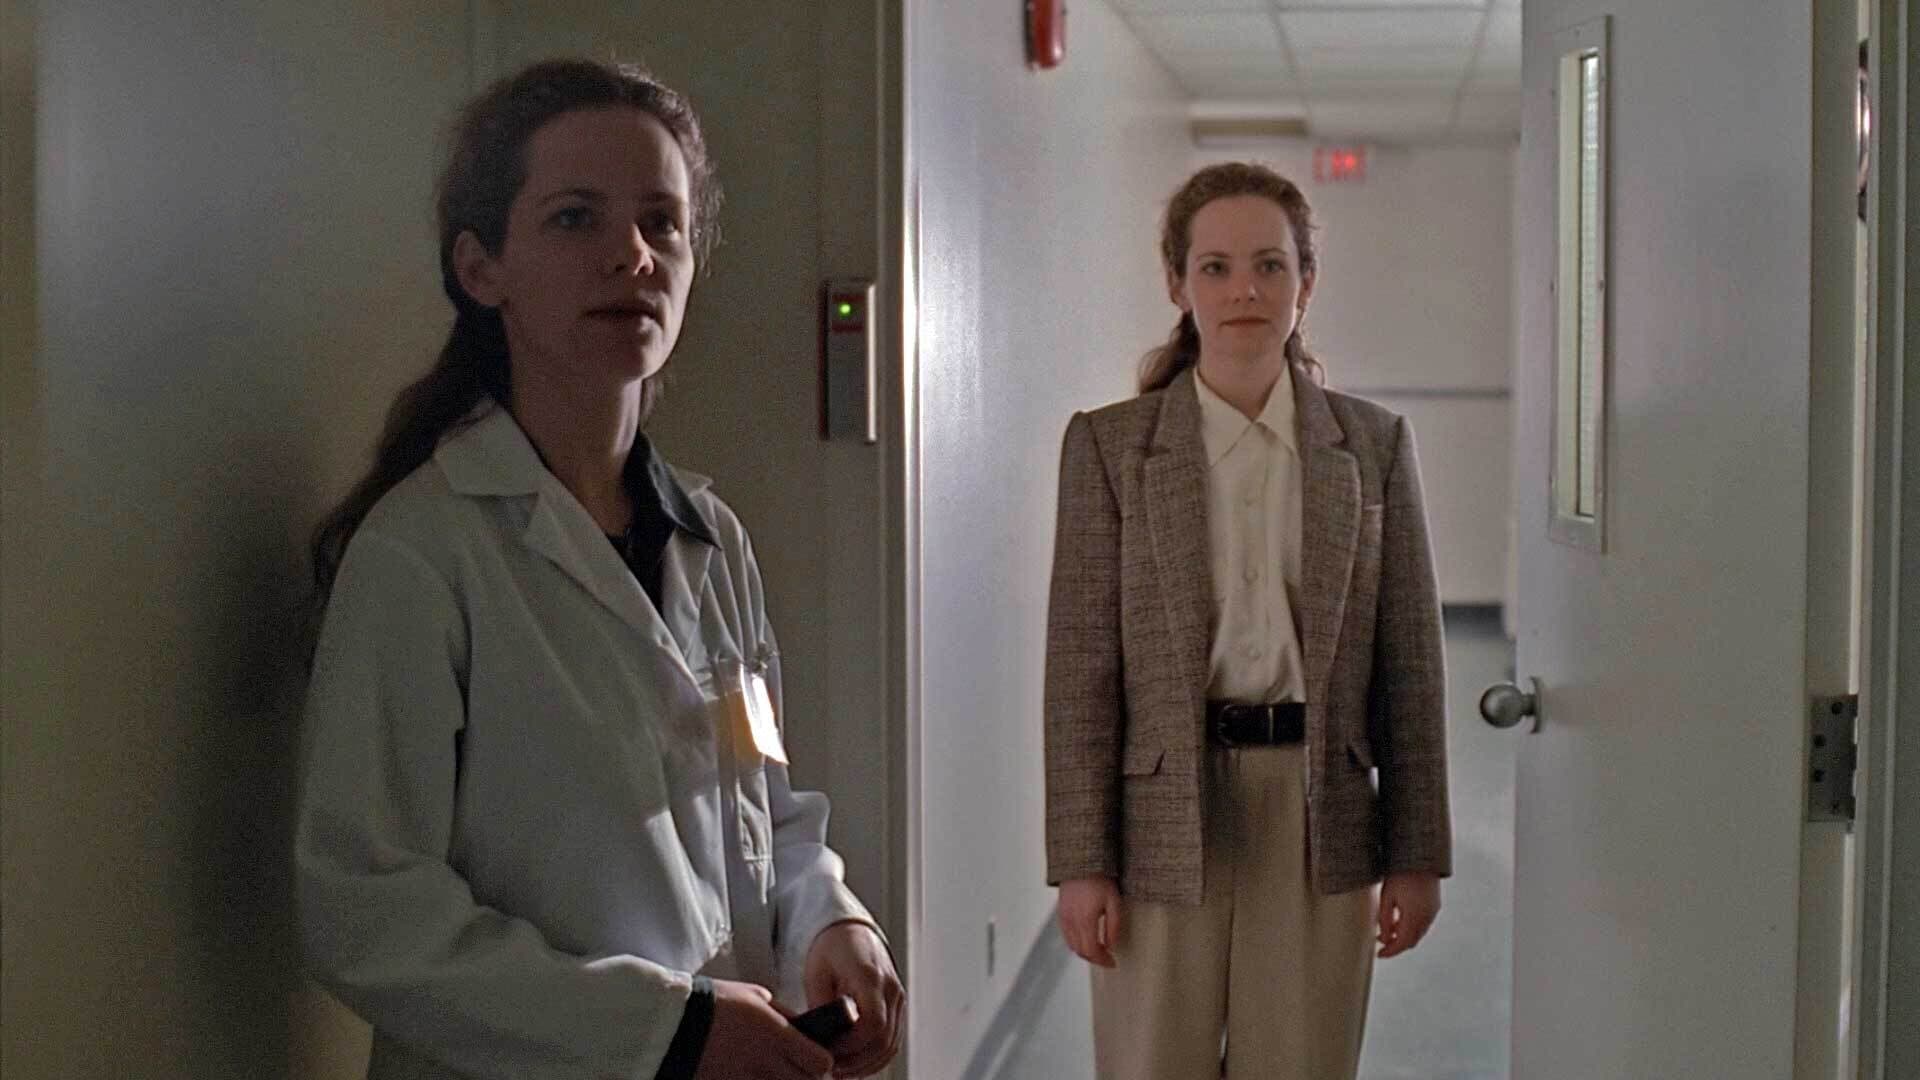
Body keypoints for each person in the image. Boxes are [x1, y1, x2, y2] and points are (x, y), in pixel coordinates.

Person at [296, 58, 901, 1080]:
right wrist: (666, 1030)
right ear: (481, 268)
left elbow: (764, 805)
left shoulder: (710, 541)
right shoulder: (424, 553)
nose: (633, 254)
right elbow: (368, 911)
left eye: (663, 223)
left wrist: (828, 919)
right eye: (576, 218)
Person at [1043, 161, 1451, 1080]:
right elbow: (1081, 672)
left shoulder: (1373, 447)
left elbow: (1410, 667)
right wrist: (1081, 861)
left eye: (1271, 265)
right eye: (1216, 267)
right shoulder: (1111, 447)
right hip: (1162, 812)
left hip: (1318, 813)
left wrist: (1417, 852)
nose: (1245, 291)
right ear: (1178, 284)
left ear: (1306, 283)